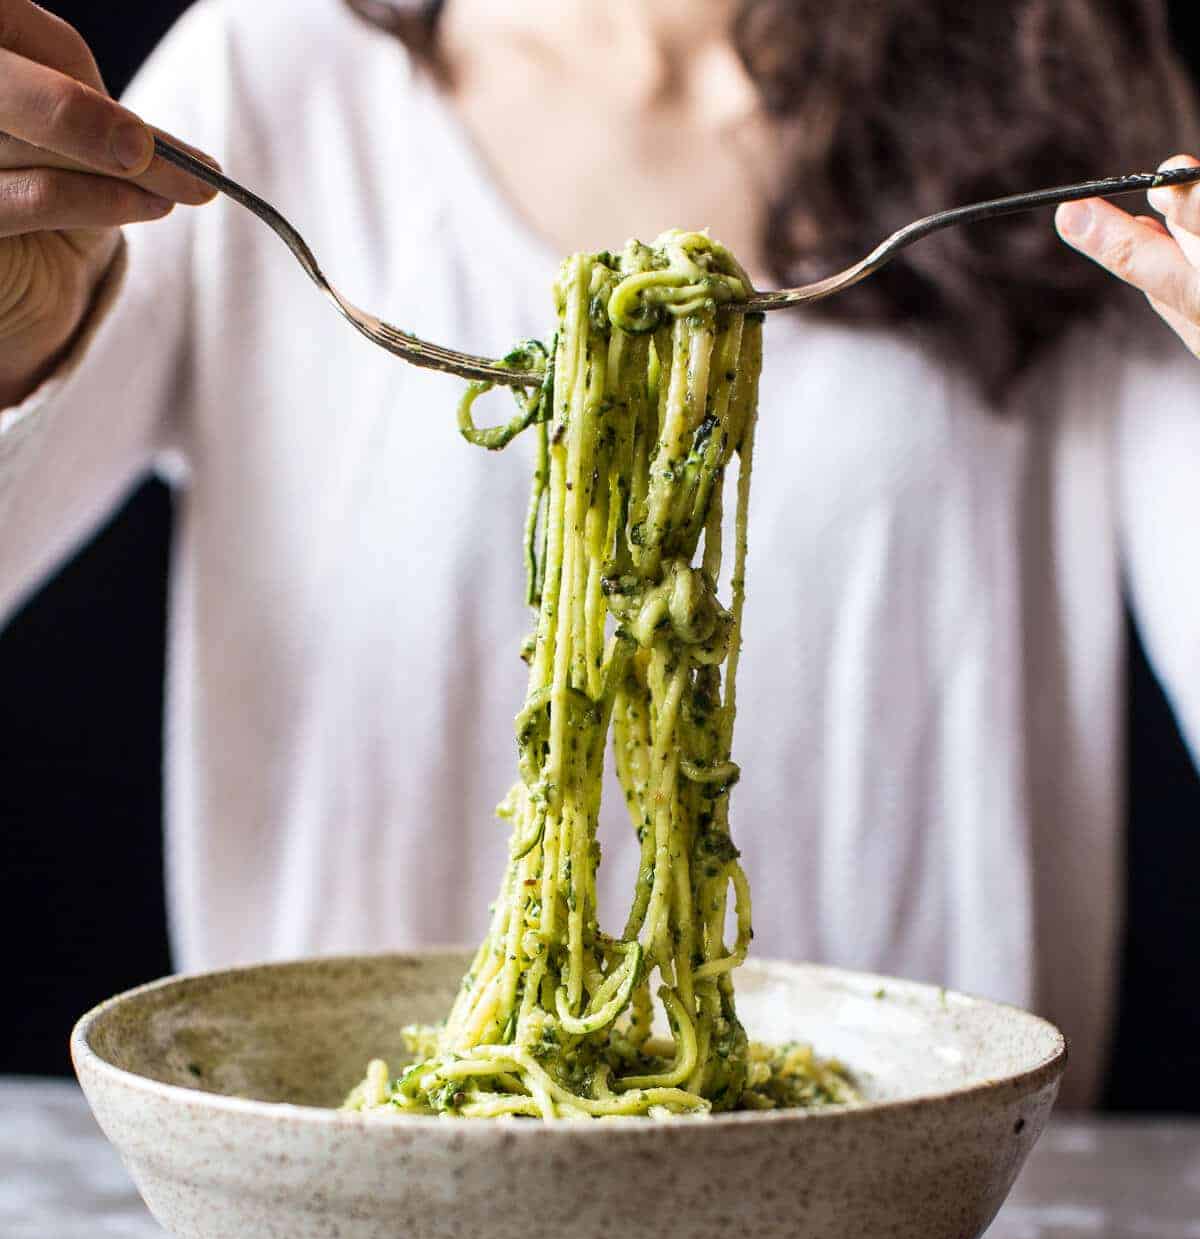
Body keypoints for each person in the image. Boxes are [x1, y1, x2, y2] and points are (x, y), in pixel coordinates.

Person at [0, 0, 1196, 1108]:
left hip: (930, 1202)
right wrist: (18, 337)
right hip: (346, 1189)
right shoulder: (275, 73)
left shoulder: (1055, 97)